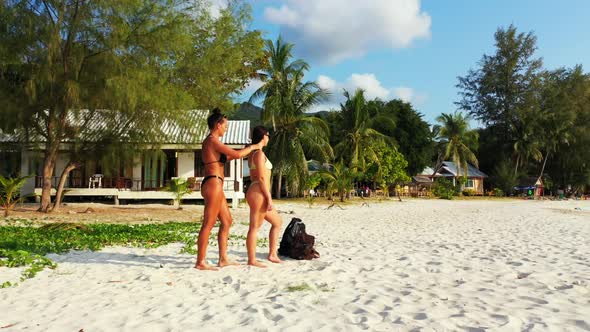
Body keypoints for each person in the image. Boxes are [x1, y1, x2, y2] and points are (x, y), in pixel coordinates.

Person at [195, 108, 263, 271]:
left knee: (227, 221)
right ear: (218, 125)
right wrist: (254, 146)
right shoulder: (212, 140)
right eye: (225, 125)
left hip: (215, 184)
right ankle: (200, 261)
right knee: (208, 224)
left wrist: (248, 149)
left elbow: (232, 155)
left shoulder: (213, 143)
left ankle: (223, 258)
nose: (226, 129)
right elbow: (237, 155)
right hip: (213, 184)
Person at [245, 126, 282, 267]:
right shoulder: (259, 154)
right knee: (255, 226)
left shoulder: (253, 154)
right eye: (268, 135)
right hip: (258, 192)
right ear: (263, 136)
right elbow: (261, 177)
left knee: (277, 222)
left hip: (256, 191)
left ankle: (272, 254)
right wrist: (269, 197)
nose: (269, 138)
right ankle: (252, 260)